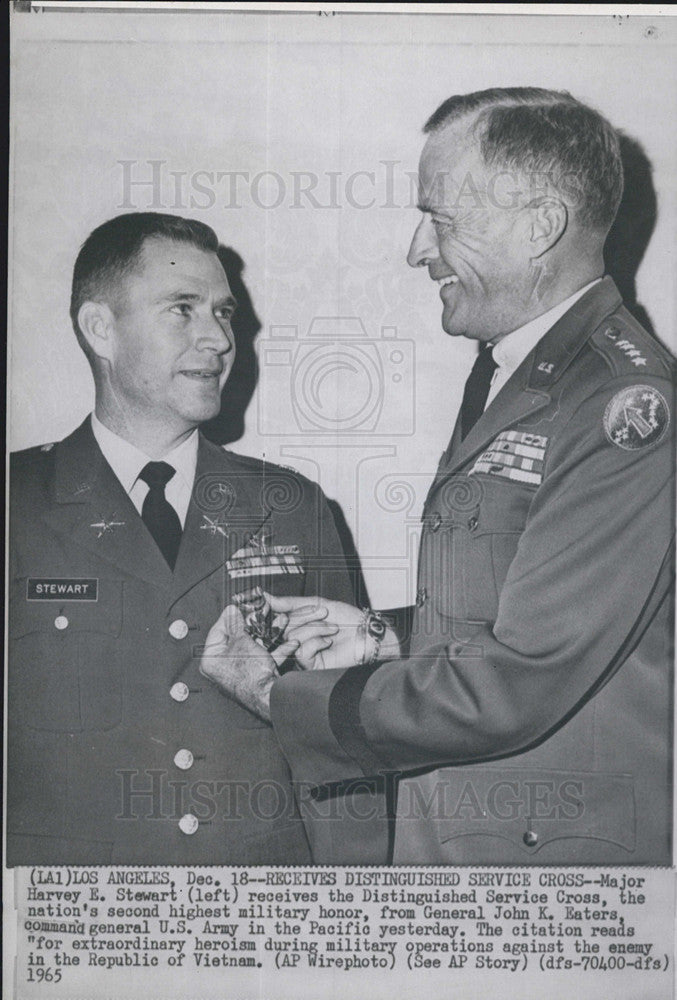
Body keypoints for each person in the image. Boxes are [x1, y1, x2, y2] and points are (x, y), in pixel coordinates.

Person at [201, 88, 675, 866]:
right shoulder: (524, 373)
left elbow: (517, 681)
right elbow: (533, 609)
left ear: (540, 227)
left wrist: (275, 694)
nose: (417, 249)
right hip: (471, 850)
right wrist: (376, 635)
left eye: (442, 221)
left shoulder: (624, 408)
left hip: (553, 877)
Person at [7, 212, 355, 866]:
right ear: (100, 329)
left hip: (258, 908)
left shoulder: (290, 506)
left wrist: (350, 894)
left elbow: (344, 730)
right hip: (79, 919)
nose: (219, 339)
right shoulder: (17, 503)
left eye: (222, 313)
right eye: (182, 310)